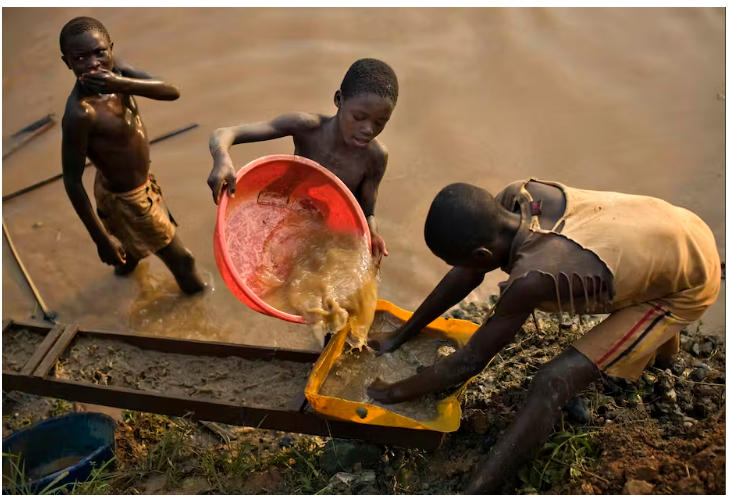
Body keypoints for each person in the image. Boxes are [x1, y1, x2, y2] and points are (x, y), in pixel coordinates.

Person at [367, 179, 721, 494]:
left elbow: (473, 359)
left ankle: (482, 485)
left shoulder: (534, 277)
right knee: (645, 273)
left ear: (482, 255)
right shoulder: (518, 195)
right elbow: (466, 274)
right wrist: (401, 334)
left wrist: (391, 393)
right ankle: (665, 358)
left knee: (551, 381)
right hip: (678, 226)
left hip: (689, 284)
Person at [60, 16, 205, 294]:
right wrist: (101, 240)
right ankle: (207, 318)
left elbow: (171, 91)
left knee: (132, 250)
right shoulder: (81, 113)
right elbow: (72, 181)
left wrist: (121, 84)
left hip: (135, 184)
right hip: (129, 199)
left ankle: (120, 280)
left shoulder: (120, 72)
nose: (93, 64)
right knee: (184, 261)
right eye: (80, 58)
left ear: (110, 48)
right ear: (67, 62)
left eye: (100, 53)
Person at [206, 58, 398, 263]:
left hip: (321, 222)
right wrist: (221, 157)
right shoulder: (307, 128)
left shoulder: (375, 157)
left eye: (380, 122)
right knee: (257, 259)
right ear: (339, 99)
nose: (368, 129)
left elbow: (367, 212)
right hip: (278, 203)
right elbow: (224, 133)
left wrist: (373, 234)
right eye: (359, 117)